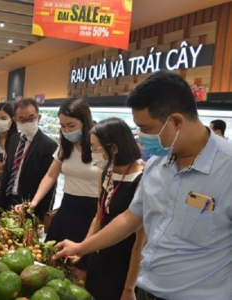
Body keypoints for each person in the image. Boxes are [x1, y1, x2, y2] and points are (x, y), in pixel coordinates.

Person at [53, 70, 232, 300]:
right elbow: (130, 219)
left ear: (176, 121)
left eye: (146, 129)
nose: (140, 135)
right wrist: (81, 247)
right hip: (146, 290)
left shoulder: (226, 169)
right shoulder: (157, 164)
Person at [15, 98, 99, 280]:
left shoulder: (99, 146)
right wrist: (33, 202)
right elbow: (50, 175)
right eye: (63, 126)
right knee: (50, 262)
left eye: (71, 125)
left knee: (80, 272)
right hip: (67, 209)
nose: (67, 131)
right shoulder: (65, 146)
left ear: (85, 121)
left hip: (93, 213)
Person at [84, 117, 146, 300]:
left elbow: (141, 242)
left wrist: (129, 288)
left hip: (124, 265)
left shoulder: (140, 180)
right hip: (99, 257)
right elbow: (98, 217)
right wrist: (83, 250)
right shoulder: (106, 173)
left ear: (114, 148)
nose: (92, 152)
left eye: (94, 148)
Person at [0, 98, 58, 221]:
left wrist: (41, 216)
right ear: (15, 120)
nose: (27, 122)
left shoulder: (49, 146)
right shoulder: (13, 140)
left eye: (31, 118)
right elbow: (7, 174)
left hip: (29, 204)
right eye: (22, 119)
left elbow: (50, 184)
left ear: (38, 118)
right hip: (8, 200)